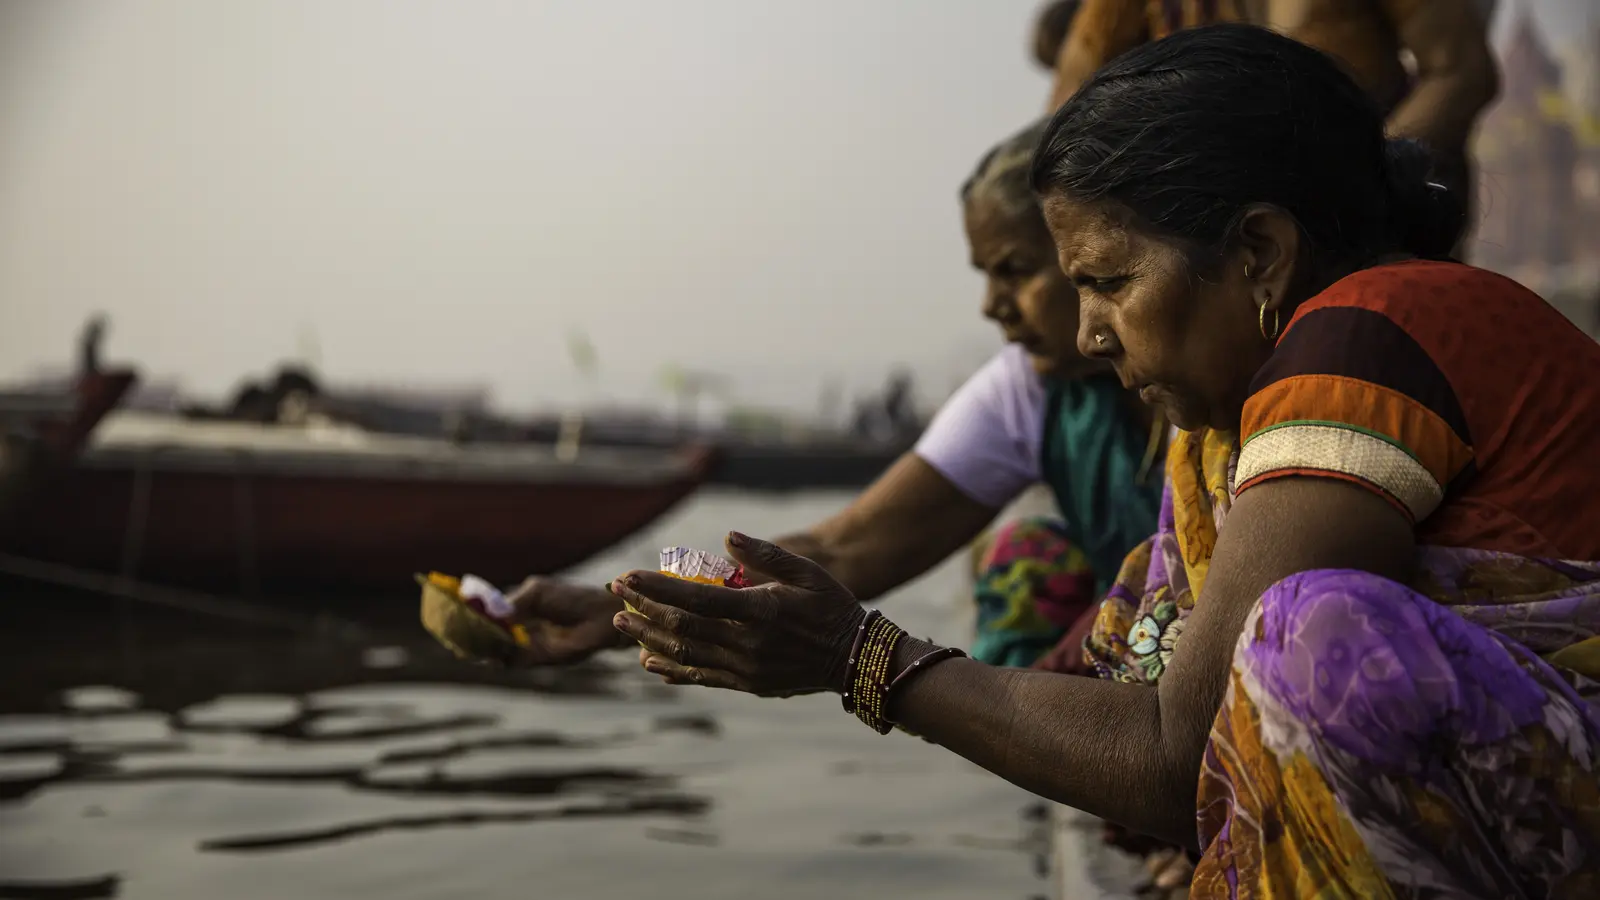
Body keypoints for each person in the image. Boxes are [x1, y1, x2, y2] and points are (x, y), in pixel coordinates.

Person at [610, 25, 1600, 896]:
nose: (1087, 335)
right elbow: (1129, 705)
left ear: (1258, 251)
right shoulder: (1229, 424)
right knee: (1139, 607)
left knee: (1311, 637)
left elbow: (1184, 758)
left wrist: (859, 657)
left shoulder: (1368, 330)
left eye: (1109, 282)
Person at [505, 118, 1166, 674]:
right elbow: (838, 548)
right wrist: (619, 605)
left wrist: (859, 664)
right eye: (987, 276)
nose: (993, 306)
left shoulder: (1211, 381)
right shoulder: (1029, 385)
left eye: (1016, 272)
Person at [1045, 0, 1498, 255]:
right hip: (1216, 259)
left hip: (1369, 242)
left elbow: (1461, 71)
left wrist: (1359, 182)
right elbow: (1068, 121)